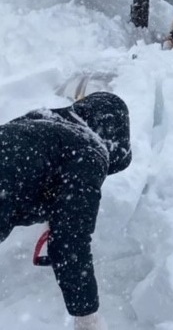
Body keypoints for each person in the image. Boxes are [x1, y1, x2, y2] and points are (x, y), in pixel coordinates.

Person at [0, 92, 132, 330]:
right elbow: (71, 240)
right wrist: (87, 316)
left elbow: (20, 168)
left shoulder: (40, 121)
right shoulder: (90, 149)